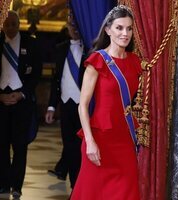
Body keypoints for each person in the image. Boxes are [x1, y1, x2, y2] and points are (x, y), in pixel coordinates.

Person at [71, 5, 142, 200]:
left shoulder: (136, 62)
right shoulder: (97, 61)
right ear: (108, 30)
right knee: (93, 193)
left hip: (125, 138)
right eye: (119, 28)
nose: (125, 33)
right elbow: (83, 106)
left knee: (127, 192)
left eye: (129, 28)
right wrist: (90, 142)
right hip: (100, 138)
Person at [0, 11, 42, 198]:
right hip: (1, 102)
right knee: (1, 146)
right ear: (2, 24)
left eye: (13, 24)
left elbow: (36, 74)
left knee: (20, 147)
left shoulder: (31, 43)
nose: (10, 28)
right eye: (7, 24)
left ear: (19, 24)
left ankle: (17, 186)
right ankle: (3, 184)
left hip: (21, 102)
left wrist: (22, 93)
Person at [45, 22, 84, 190]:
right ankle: (75, 190)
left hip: (85, 108)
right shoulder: (61, 49)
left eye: (77, 25)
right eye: (71, 25)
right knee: (69, 150)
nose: (74, 29)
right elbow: (56, 80)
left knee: (83, 152)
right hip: (66, 106)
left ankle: (84, 191)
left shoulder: (91, 47)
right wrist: (51, 107)